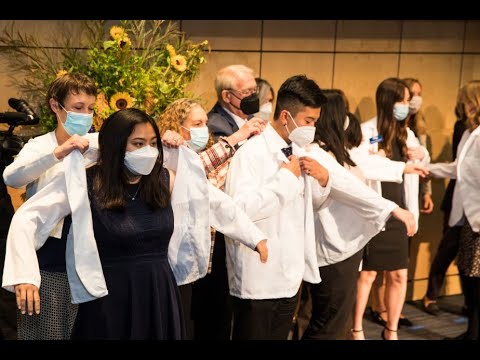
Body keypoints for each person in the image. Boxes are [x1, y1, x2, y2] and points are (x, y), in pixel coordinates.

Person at [3, 108, 268, 340]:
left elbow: (212, 202)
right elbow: (29, 216)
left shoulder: (164, 179)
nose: (148, 152)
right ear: (117, 146)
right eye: (138, 144)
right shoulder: (87, 181)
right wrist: (25, 275)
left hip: (158, 292)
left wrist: (253, 236)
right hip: (109, 298)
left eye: (153, 143)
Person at [298, 89, 417, 340]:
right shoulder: (315, 152)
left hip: (346, 248)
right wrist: (392, 208)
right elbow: (348, 187)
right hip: (332, 250)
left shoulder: (335, 150)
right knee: (328, 323)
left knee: (334, 321)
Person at [224, 74, 330, 340]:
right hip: (258, 278)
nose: (312, 128)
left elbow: (308, 208)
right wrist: (285, 178)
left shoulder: (299, 150)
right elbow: (239, 211)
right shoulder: (251, 153)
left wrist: (322, 180)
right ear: (286, 116)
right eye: (309, 121)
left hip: (289, 274)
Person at [156, 98, 266, 338]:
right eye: (197, 123)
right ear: (178, 126)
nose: (203, 129)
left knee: (214, 321)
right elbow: (197, 168)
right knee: (183, 322)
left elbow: (219, 197)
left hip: (212, 253)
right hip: (176, 257)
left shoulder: (205, 155)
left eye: (205, 122)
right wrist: (239, 136)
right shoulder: (167, 153)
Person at [2, 72, 98, 340]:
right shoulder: (40, 146)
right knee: (46, 331)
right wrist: (58, 153)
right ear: (56, 106)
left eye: (90, 108)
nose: (85, 115)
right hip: (48, 258)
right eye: (78, 108)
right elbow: (12, 176)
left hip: (90, 256)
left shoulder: (98, 145)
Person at [351, 77, 429, 340]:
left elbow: (422, 160)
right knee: (368, 273)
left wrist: (420, 155)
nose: (407, 105)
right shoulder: (367, 131)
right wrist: (399, 166)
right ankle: (357, 328)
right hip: (378, 212)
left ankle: (391, 330)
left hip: (402, 210)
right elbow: (361, 166)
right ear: (388, 101)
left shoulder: (406, 132)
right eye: (403, 100)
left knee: (398, 275)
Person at [194, 64, 265, 339]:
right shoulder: (215, 125)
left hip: (241, 218)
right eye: (247, 92)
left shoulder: (249, 121)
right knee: (215, 312)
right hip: (218, 229)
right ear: (227, 96)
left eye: (254, 90)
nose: (253, 96)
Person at [427, 80, 480, 340]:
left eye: (469, 100)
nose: (464, 106)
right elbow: (456, 168)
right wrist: (425, 168)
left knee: (476, 278)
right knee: (469, 275)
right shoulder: (471, 133)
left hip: (478, 217)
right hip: (468, 216)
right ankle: (472, 329)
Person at [421, 85, 468, 316]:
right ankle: (430, 294)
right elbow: (460, 167)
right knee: (448, 249)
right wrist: (426, 169)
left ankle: (471, 305)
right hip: (460, 201)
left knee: (470, 258)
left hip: (472, 204)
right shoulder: (466, 128)